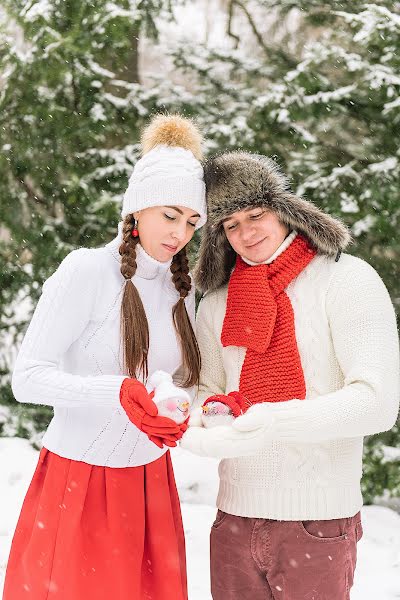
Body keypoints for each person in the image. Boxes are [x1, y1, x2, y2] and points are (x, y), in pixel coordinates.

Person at [3, 114, 207, 600]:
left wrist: (180, 404)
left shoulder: (184, 289)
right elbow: (27, 379)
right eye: (170, 215)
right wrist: (115, 392)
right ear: (136, 211)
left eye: (192, 221)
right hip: (81, 483)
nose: (180, 233)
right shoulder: (86, 271)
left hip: (150, 484)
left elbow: (176, 379)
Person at [181, 151, 400, 600]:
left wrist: (275, 421)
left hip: (317, 522)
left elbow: (376, 402)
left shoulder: (347, 279)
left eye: (256, 214)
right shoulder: (219, 301)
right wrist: (213, 419)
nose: (246, 232)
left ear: (283, 210)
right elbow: (209, 389)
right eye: (230, 224)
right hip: (234, 518)